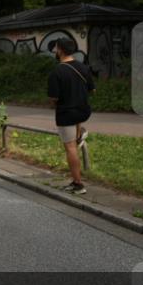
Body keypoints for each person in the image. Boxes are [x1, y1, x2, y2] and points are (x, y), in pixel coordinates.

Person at [47, 38, 94, 195]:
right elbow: (92, 90)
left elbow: (53, 98)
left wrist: (55, 104)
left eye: (55, 48)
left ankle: (78, 184)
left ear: (60, 50)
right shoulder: (83, 68)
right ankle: (80, 134)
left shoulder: (57, 72)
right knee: (74, 134)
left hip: (66, 113)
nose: (54, 51)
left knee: (70, 148)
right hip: (83, 111)